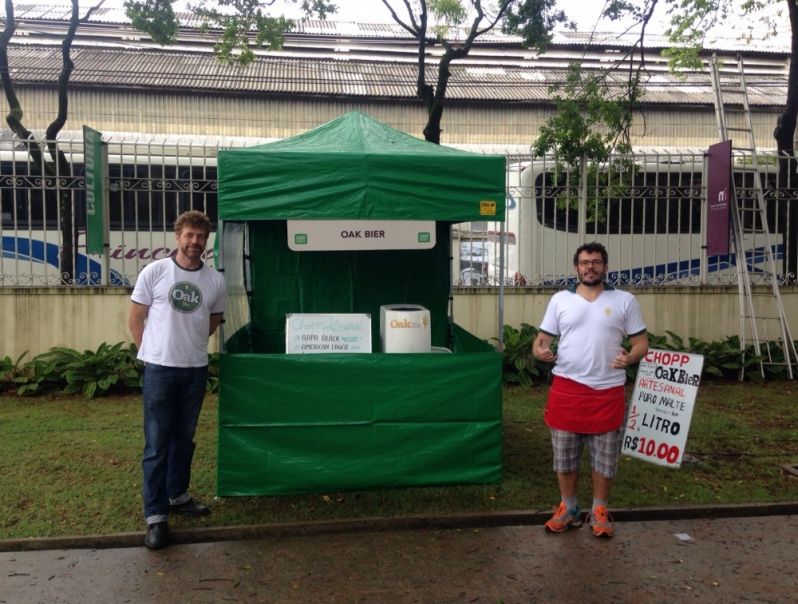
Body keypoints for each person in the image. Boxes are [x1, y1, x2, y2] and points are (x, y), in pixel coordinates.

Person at [532, 242, 648, 539]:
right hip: (567, 390)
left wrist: (630, 357)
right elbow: (541, 341)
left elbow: (641, 343)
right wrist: (540, 351)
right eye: (585, 262)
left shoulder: (624, 300)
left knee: (605, 460)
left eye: (596, 262)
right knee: (564, 458)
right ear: (576, 268)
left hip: (607, 390)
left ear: (605, 267)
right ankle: (569, 508)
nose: (590, 267)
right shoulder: (560, 300)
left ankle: (599, 510)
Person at [128, 210, 227, 550]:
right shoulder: (155, 272)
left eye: (201, 236)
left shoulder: (215, 280)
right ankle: (156, 517)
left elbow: (214, 318)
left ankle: (178, 496)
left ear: (206, 240)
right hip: (159, 370)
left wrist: (193, 345)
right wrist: (151, 352)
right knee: (157, 444)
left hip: (194, 369)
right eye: (189, 235)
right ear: (177, 236)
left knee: (184, 439)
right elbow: (136, 318)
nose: (195, 242)